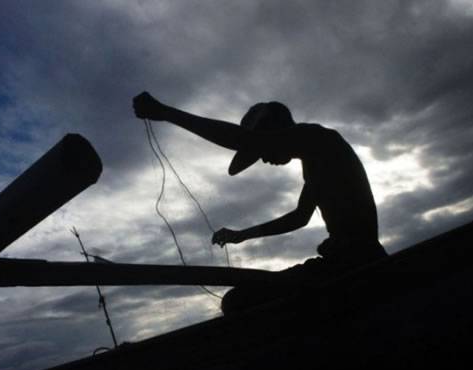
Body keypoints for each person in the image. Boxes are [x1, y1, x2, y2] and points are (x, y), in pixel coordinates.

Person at [132, 92, 387, 312]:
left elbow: (249, 141)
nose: (264, 159)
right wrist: (242, 235)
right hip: (344, 262)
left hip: (354, 263)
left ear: (277, 130)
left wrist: (166, 113)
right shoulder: (317, 159)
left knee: (238, 301)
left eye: (262, 150)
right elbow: (300, 216)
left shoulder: (320, 139)